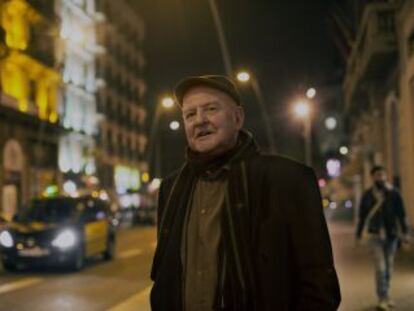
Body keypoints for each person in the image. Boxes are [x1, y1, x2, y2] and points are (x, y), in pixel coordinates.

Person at [150, 75, 341, 311]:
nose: (200, 120)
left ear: (238, 118)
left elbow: (319, 283)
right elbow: (164, 275)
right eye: (190, 114)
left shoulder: (288, 180)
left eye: (211, 109)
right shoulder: (171, 190)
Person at [356, 165, 410, 311]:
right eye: (377, 175)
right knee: (380, 268)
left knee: (389, 268)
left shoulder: (393, 193)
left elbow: (402, 214)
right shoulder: (367, 195)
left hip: (391, 235)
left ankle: (387, 295)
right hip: (375, 236)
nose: (380, 177)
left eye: (382, 175)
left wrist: (405, 233)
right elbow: (362, 216)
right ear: (373, 177)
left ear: (386, 176)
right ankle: (382, 298)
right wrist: (358, 234)